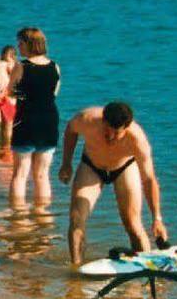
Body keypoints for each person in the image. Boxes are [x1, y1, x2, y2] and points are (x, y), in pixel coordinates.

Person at [59, 101, 168, 265]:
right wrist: (66, 162)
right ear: (103, 121)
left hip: (123, 167)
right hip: (92, 166)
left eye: (116, 134)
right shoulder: (87, 119)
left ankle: (147, 268)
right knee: (76, 219)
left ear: (126, 127)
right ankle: (77, 267)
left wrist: (157, 218)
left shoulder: (137, 139)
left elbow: (149, 179)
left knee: (133, 224)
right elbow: (70, 130)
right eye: (106, 131)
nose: (110, 137)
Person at [7, 26, 60, 205]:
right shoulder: (55, 67)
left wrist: (24, 95)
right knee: (42, 175)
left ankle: (18, 214)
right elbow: (54, 93)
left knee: (20, 173)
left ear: (29, 44)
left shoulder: (21, 66)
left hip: (26, 120)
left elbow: (11, 92)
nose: (18, 47)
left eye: (20, 43)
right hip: (49, 121)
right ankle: (42, 215)